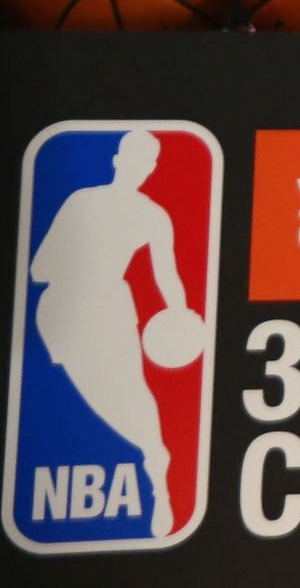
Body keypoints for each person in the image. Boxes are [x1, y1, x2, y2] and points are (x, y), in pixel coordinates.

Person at [30, 130, 198, 538]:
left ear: (149, 168)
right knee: (101, 397)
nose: (139, 167)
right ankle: (153, 456)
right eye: (136, 158)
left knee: (132, 394)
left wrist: (179, 315)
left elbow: (168, 277)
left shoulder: (152, 215)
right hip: (62, 316)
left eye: (146, 162)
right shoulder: (82, 201)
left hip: (107, 310)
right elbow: (37, 269)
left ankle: (157, 470)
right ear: (120, 159)